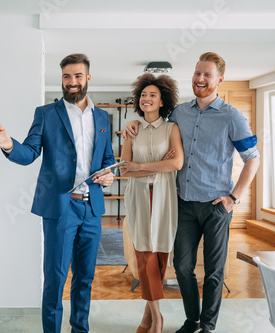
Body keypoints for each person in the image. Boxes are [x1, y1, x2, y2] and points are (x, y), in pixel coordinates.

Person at [124, 52, 260, 333]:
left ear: (219, 80)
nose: (200, 79)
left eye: (207, 75)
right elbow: (154, 120)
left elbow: (253, 158)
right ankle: (192, 319)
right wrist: (133, 124)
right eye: (198, 73)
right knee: (182, 266)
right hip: (184, 203)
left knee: (214, 271)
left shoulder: (232, 116)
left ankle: (207, 326)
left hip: (216, 205)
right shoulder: (179, 113)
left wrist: (233, 198)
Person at [0, 53, 115, 333]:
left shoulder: (103, 117)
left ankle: (80, 329)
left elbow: (107, 159)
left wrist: (109, 174)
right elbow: (29, 153)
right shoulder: (45, 114)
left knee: (85, 278)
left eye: (78, 76)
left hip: (92, 208)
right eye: (67, 76)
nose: (72, 82)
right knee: (55, 279)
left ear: (88, 78)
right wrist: (9, 145)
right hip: (60, 208)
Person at [120, 74, 184, 333]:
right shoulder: (131, 129)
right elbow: (125, 169)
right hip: (138, 198)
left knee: (160, 255)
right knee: (144, 255)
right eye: (143, 95)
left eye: (152, 95)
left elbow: (176, 164)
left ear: (162, 102)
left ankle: (147, 318)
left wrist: (141, 166)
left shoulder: (171, 129)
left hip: (164, 198)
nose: (146, 99)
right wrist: (158, 166)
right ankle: (158, 318)